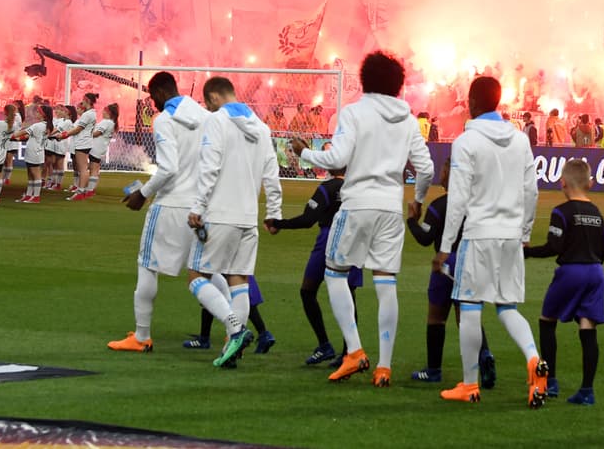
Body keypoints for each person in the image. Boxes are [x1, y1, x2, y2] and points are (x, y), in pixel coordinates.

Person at [301, 51, 434, 386]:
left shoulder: (355, 112)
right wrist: (417, 201)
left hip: (358, 202)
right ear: (397, 84)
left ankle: (356, 351)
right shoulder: (407, 118)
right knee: (386, 283)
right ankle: (384, 367)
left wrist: (303, 152)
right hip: (391, 206)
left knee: (334, 274)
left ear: (363, 79)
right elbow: (427, 168)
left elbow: (338, 159)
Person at [435, 75, 547, 406]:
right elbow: (532, 191)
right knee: (507, 307)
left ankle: (469, 385)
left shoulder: (466, 143)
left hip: (479, 234)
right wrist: (525, 233)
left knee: (469, 309)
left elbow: (457, 200)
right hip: (511, 236)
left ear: (471, 102)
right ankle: (532, 359)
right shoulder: (520, 140)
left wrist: (444, 247)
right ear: (498, 102)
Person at [186, 77, 283, 368]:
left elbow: (209, 167)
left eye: (207, 102)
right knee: (238, 279)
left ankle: (236, 328)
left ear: (214, 97)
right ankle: (232, 349)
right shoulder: (262, 127)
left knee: (195, 276)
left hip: (220, 214)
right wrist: (273, 212)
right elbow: (272, 174)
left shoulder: (216, 122)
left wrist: (198, 206)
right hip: (248, 219)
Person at [108, 72, 208, 354]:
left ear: (162, 92)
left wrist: (143, 193)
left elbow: (169, 168)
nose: (153, 104)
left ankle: (141, 337)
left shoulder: (164, 120)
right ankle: (233, 328)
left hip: (169, 205)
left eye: (153, 97)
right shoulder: (203, 116)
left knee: (147, 265)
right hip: (198, 207)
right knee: (207, 272)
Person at [267, 145, 366, 367]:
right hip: (354, 241)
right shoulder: (356, 187)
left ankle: (324, 345)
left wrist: (278, 224)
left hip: (329, 239)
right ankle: (348, 352)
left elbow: (307, 219)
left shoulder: (328, 188)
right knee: (349, 296)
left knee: (308, 291)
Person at [404, 157, 496, 387]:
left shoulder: (440, 205)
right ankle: (485, 355)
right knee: (467, 316)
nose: (441, 175)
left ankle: (433, 370)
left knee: (436, 317)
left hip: (447, 262)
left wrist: (412, 220)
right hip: (473, 261)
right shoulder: (476, 203)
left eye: (444, 170)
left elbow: (425, 238)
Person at [525, 158, 604, 406]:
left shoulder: (561, 211)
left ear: (563, 183)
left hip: (571, 271)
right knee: (587, 327)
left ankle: (550, 381)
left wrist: (527, 252)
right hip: (596, 272)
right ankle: (587, 390)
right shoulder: (597, 213)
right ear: (589, 184)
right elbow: (603, 249)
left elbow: (554, 246)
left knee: (547, 320)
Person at [13, 105, 53, 203]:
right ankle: (29, 194)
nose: (36, 113)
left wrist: (11, 135)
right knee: (31, 174)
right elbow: (28, 135)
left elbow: (23, 132)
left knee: (35, 174)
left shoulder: (38, 125)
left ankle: (36, 196)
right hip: (37, 151)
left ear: (43, 115)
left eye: (38, 112)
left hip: (34, 151)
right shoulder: (46, 125)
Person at [61, 93, 97, 199]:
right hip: (85, 142)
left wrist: (65, 134)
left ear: (87, 101)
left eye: (83, 100)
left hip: (82, 142)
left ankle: (80, 192)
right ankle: (81, 190)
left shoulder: (87, 114)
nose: (82, 102)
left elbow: (78, 129)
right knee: (83, 168)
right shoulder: (92, 113)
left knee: (82, 169)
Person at [85, 102, 118, 197]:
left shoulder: (106, 122)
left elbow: (97, 133)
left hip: (96, 147)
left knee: (93, 168)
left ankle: (90, 190)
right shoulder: (111, 123)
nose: (102, 112)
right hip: (100, 148)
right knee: (94, 168)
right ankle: (91, 188)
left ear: (108, 112)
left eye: (104, 111)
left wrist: (86, 135)